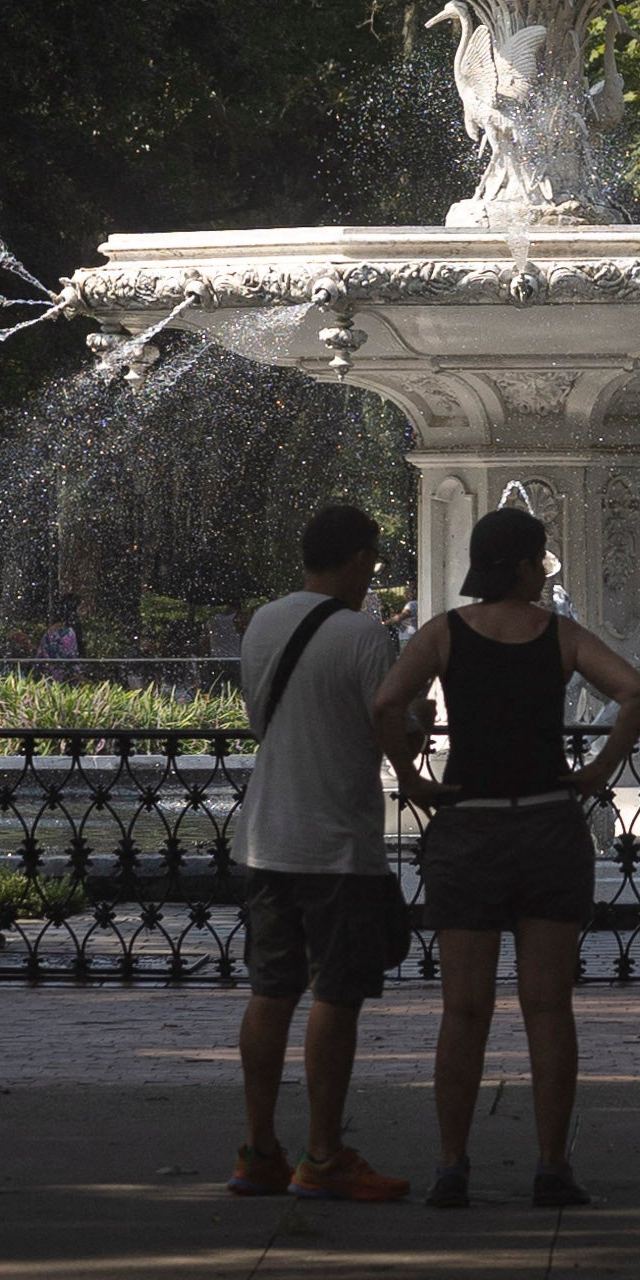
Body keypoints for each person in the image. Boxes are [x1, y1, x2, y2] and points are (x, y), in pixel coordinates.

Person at [370, 504, 640, 1209]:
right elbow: (635, 692)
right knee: (548, 1007)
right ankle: (552, 1165)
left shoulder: (442, 634)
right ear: (527, 565)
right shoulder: (558, 636)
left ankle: (450, 1164)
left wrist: (411, 779)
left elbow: (385, 703)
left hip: (467, 827)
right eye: (540, 561)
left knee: (462, 1009)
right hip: (546, 826)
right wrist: (597, 771)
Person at [229, 504, 413, 1203]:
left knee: (269, 992)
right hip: (338, 844)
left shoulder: (264, 622)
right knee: (335, 995)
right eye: (372, 561)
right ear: (360, 559)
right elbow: (390, 729)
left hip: (267, 837)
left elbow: (257, 719)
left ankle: (257, 1150)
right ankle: (325, 1153)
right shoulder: (365, 635)